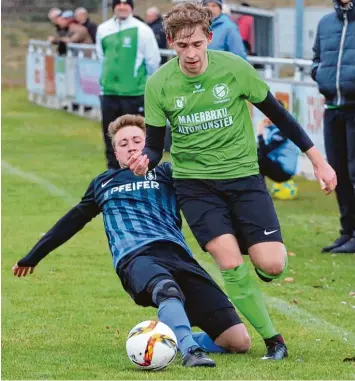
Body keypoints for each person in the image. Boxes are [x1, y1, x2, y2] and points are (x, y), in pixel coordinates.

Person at [128, 2, 337, 360]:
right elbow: (155, 144)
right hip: (195, 184)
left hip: (244, 179)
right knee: (228, 262)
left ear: (209, 37)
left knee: (272, 265)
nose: (191, 54)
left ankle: (247, 242)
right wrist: (145, 159)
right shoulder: (159, 84)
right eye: (182, 46)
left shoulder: (234, 69)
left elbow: (280, 116)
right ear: (171, 43)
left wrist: (317, 160)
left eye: (196, 44)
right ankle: (275, 341)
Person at [12, 114, 252, 368]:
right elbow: (71, 222)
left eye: (137, 140)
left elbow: (209, 192)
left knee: (237, 341)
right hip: (135, 257)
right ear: (116, 154)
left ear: (148, 144)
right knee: (166, 289)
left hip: (179, 256)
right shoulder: (104, 183)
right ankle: (189, 351)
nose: (131, 146)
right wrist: (33, 256)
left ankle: (161, 337)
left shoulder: (168, 173)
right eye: (123, 144)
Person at [96, 0, 161, 170]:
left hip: (133, 94)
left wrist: (140, 82)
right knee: (111, 136)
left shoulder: (142, 30)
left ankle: (138, 171)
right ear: (114, 7)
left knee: (135, 137)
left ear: (131, 7)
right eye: (118, 3)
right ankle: (113, 173)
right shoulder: (103, 29)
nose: (122, 7)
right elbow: (102, 57)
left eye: (126, 3)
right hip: (109, 93)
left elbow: (153, 60)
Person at [312, 0, 355, 254]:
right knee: (337, 171)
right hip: (332, 108)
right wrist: (319, 74)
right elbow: (316, 58)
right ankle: (347, 232)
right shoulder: (326, 22)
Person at [257, 102, 300, 183]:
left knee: (258, 159)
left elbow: (265, 150)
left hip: (284, 171)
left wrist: (260, 133)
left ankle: (257, 191)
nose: (266, 115)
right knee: (255, 156)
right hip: (278, 166)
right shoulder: (275, 129)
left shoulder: (283, 130)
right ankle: (258, 190)